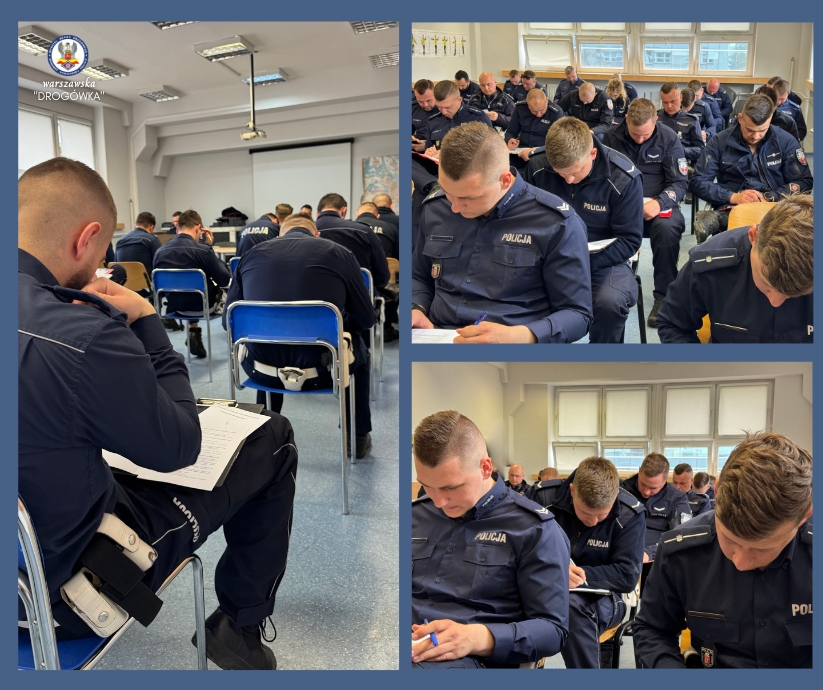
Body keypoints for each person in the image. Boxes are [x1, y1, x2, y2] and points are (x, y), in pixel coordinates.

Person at [18, 157, 298, 671]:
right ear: (87, 238)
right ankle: (239, 628)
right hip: (54, 596)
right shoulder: (84, 336)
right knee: (273, 436)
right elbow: (178, 449)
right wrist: (146, 320)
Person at [633, 432, 812, 668]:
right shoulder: (680, 552)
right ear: (716, 490)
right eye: (729, 539)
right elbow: (652, 630)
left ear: (804, 515)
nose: (740, 562)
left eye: (762, 548)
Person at [411, 411, 570, 668]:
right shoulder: (415, 515)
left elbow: (553, 631)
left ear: (485, 468)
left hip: (472, 658)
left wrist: (478, 638)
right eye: (427, 486)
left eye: (451, 488)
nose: (439, 501)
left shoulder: (534, 529)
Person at [411, 122, 593, 344]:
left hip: (516, 343)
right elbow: (419, 276)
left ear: (505, 180)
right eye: (448, 192)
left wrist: (521, 335)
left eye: (469, 198)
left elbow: (577, 314)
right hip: (437, 336)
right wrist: (416, 307)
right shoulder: (436, 208)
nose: (455, 207)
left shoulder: (556, 223)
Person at [223, 214, 374, 457]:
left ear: (279, 235)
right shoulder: (339, 253)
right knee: (360, 351)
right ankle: (356, 435)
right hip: (326, 372)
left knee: (265, 339)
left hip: (261, 371)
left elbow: (227, 321)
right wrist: (336, 322)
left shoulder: (250, 255)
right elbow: (366, 319)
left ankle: (264, 431)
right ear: (317, 235)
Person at [526, 117, 642, 343]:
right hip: (547, 257)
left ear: (593, 154)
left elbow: (629, 240)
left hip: (603, 259)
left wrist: (578, 263)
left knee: (609, 303)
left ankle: (600, 361)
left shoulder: (623, 178)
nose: (569, 180)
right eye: (561, 174)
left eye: (575, 172)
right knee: (511, 295)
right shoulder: (538, 165)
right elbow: (525, 221)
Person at [656, 195, 814, 343]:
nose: (775, 301)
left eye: (793, 294)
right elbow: (672, 324)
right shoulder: (711, 264)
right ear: (753, 236)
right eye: (767, 285)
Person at [535, 457, 645, 668]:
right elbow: (519, 552)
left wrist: (574, 576)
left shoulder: (630, 514)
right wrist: (556, 572)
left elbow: (627, 575)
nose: (593, 522)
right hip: (542, 587)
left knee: (571, 608)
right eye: (585, 513)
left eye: (601, 516)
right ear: (572, 491)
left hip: (606, 596)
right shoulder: (543, 499)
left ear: (615, 496)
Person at [602, 98, 688, 329]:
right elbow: (602, 177)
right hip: (620, 207)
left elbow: (680, 183)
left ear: (656, 120)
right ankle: (608, 289)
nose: (640, 139)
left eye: (646, 135)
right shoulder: (610, 137)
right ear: (626, 119)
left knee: (667, 229)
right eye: (635, 134)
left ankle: (664, 298)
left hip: (657, 205)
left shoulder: (669, 137)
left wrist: (659, 203)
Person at [690, 94, 812, 243]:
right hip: (733, 205)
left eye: (762, 130)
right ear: (740, 118)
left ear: (770, 120)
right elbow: (698, 182)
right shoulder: (719, 142)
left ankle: (721, 220)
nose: (755, 136)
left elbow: (804, 181)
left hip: (775, 208)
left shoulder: (786, 142)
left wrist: (771, 196)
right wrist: (733, 196)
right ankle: (723, 219)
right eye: (750, 130)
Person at [153, 209, 231, 358]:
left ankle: (194, 330)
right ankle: (235, 346)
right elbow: (225, 279)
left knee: (189, 288)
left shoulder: (160, 252)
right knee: (224, 291)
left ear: (177, 229)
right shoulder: (203, 251)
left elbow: (158, 289)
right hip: (204, 308)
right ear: (198, 228)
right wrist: (209, 247)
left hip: (175, 308)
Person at [621, 453, 691, 575]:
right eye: (643, 484)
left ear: (665, 480)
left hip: (656, 561)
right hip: (621, 555)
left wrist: (649, 553)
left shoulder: (677, 498)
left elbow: (680, 537)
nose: (646, 492)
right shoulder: (621, 491)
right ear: (639, 471)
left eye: (653, 488)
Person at [420, 80, 493, 157]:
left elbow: (491, 151)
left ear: (459, 100)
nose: (444, 112)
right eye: (439, 107)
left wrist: (447, 156)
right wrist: (428, 153)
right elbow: (429, 149)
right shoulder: (433, 121)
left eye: (447, 107)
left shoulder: (479, 118)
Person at [504, 89, 563, 165]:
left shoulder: (556, 113)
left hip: (543, 153)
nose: (538, 114)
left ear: (546, 101)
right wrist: (510, 139)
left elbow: (559, 143)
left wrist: (534, 151)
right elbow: (511, 131)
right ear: (527, 103)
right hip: (521, 150)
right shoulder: (520, 108)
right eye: (534, 111)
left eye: (541, 110)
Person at [657, 82, 705, 164]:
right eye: (665, 102)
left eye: (673, 101)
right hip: (657, 161)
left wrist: (680, 150)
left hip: (680, 161)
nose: (669, 106)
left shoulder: (691, 120)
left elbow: (700, 150)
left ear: (680, 97)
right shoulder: (655, 117)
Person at [115, 211, 162, 282]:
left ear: (135, 225)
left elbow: (115, 264)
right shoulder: (152, 240)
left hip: (124, 284)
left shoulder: (120, 240)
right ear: (151, 228)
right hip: (146, 284)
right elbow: (160, 263)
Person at [412, 78, 439, 146]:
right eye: (420, 101)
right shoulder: (412, 108)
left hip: (437, 147)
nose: (425, 105)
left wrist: (427, 145)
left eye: (428, 100)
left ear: (435, 94)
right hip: (417, 146)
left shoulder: (444, 108)